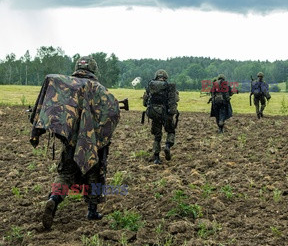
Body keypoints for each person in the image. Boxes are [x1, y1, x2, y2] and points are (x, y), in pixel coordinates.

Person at [29, 56, 122, 229]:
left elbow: (53, 109)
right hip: (92, 144)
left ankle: (53, 200)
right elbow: (113, 114)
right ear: (93, 69)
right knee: (95, 175)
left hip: (70, 143)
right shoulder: (101, 90)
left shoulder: (66, 85)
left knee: (65, 174)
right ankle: (92, 211)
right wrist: (98, 139)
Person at [143, 69, 179, 165]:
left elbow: (145, 102)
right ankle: (167, 146)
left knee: (157, 136)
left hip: (155, 114)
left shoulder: (151, 86)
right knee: (171, 131)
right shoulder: (169, 86)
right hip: (166, 114)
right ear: (165, 77)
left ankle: (157, 158)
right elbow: (176, 99)